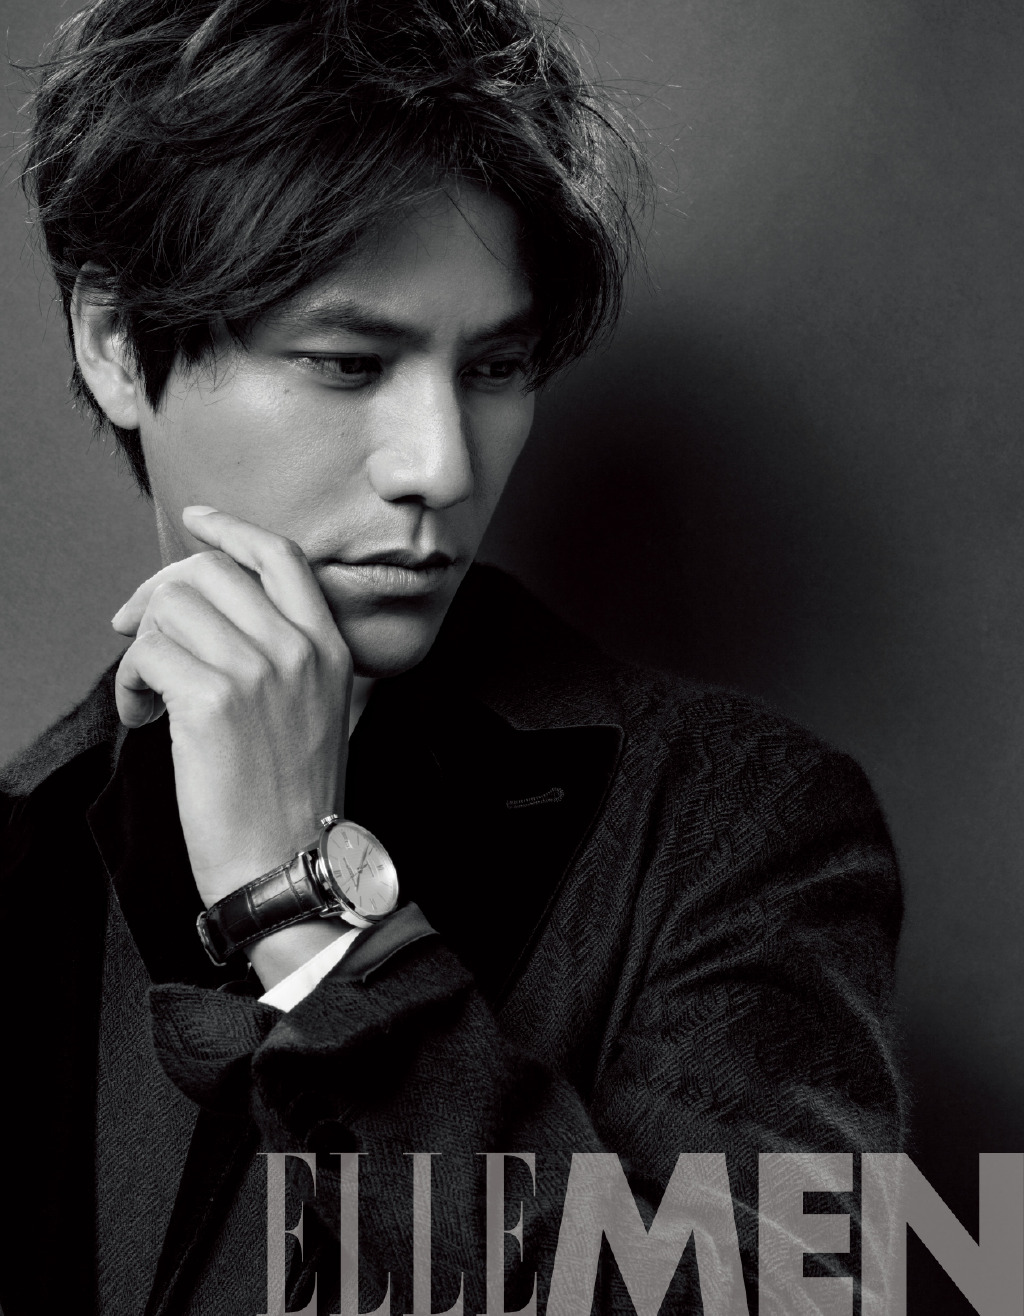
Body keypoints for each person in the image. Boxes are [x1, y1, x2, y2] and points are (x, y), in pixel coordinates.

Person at [0, 0, 905, 1312]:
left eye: (497, 367)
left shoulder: (732, 827)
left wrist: (308, 920)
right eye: (347, 362)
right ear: (114, 342)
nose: (439, 465)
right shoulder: (20, 850)